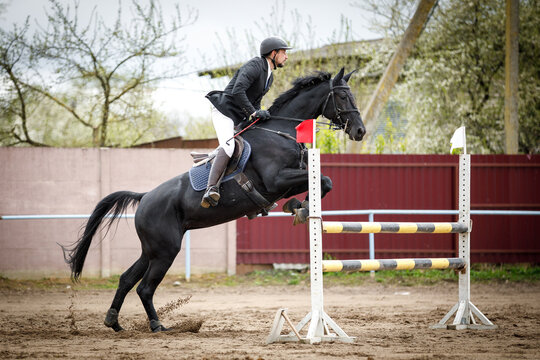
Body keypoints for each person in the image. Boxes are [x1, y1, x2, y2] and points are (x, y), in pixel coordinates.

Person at [201, 36, 291, 208]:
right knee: (229, 146)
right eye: (283, 52)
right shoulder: (255, 65)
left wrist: (258, 115)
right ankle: (210, 188)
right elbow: (238, 91)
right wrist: (254, 112)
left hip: (238, 116)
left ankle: (253, 196)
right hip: (224, 111)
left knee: (253, 145)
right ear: (273, 53)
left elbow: (254, 100)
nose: (286, 56)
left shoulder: (269, 76)